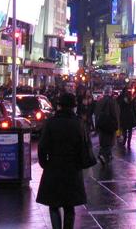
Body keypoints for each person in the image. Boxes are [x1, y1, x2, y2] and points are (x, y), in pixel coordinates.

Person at [36, 93, 87, 229]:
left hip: (54, 167)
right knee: (69, 206)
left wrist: (45, 164)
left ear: (59, 106)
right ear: (73, 107)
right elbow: (84, 147)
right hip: (72, 168)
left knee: (54, 205)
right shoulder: (78, 124)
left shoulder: (51, 123)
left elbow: (42, 146)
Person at [94, 88, 119, 165]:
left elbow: (96, 113)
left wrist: (97, 126)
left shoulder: (99, 101)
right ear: (110, 92)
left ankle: (107, 156)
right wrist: (116, 124)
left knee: (103, 141)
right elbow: (115, 114)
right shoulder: (112, 101)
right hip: (109, 124)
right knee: (109, 142)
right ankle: (103, 155)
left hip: (101, 124)